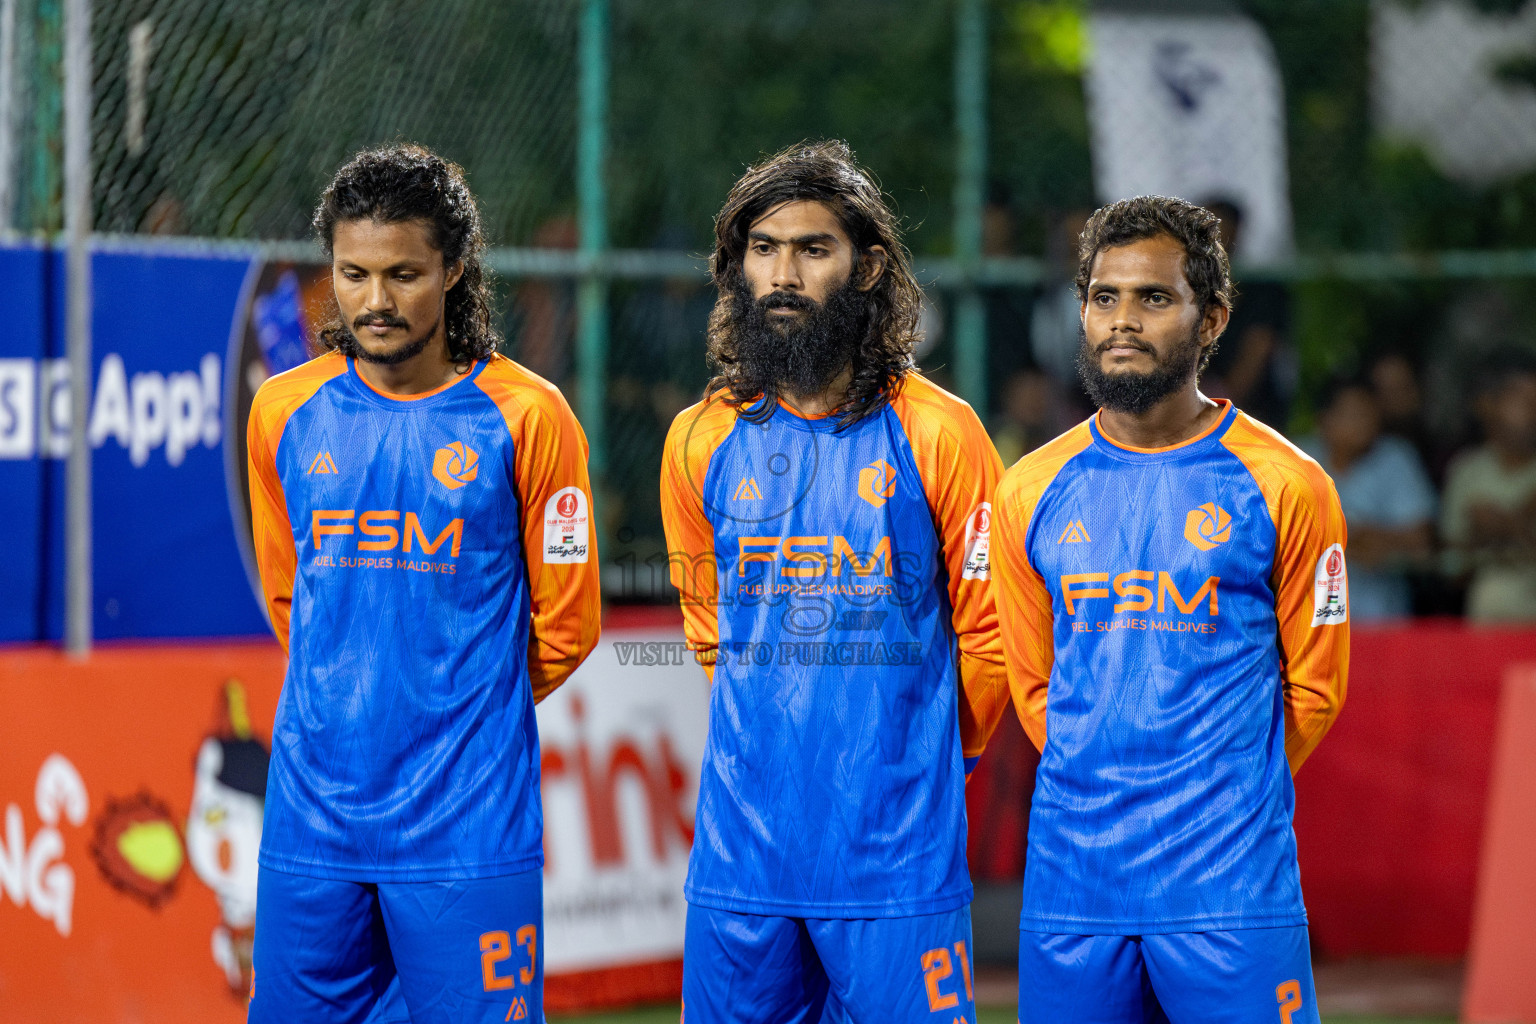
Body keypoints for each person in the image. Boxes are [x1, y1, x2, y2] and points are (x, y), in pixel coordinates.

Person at [245, 144, 600, 1024]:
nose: (374, 300)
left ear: (454, 269)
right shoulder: (283, 412)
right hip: (311, 824)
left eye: (402, 273)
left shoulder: (530, 418)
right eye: (353, 274)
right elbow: (293, 601)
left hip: (466, 831)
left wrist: (459, 715)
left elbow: (568, 624)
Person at [660, 140, 1009, 1024]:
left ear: (867, 268)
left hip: (897, 864)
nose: (783, 272)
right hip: (742, 865)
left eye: (813, 249)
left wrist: (918, 752)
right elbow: (712, 630)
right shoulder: (697, 440)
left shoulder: (941, 434)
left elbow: (993, 633)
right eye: (763, 248)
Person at [992, 196, 1348, 1024]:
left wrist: (1216, 789)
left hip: (1230, 888)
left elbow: (1315, 691)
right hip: (1074, 890)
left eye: (1154, 298)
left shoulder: (1290, 485)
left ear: (1211, 318)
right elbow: (1035, 686)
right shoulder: (1029, 490)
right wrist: (1113, 781)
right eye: (1104, 297)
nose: (1123, 320)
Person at [1299, 376, 1435, 621]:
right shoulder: (1297, 457)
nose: (1366, 422)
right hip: (1305, 614)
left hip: (1380, 614)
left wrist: (1369, 536)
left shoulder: (1396, 458)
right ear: (1325, 420)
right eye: (1354, 413)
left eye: (1370, 412)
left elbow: (1421, 541)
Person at [1441, 355, 1536, 623]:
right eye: (1522, 400)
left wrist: (1511, 523)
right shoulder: (1467, 471)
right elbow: (1451, 568)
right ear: (1488, 405)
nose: (1532, 409)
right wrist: (1481, 536)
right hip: (1490, 612)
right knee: (1494, 592)